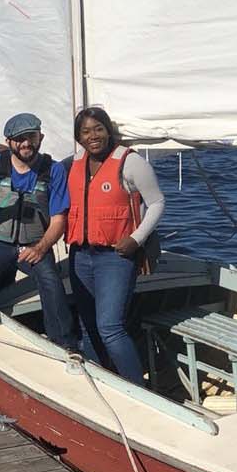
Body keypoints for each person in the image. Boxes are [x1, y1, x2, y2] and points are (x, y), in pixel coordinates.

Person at [0, 112, 77, 348]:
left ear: (40, 137)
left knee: (52, 286)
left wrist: (41, 248)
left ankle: (65, 344)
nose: (26, 143)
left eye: (31, 136)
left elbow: (58, 220)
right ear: (9, 141)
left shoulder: (54, 171)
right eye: (19, 138)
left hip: (34, 246)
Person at [65, 107, 165, 385]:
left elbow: (157, 203)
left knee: (110, 327)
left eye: (98, 129)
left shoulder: (131, 163)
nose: (92, 136)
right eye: (85, 131)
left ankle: (137, 389)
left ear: (108, 130)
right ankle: (100, 382)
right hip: (81, 256)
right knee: (88, 327)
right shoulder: (74, 163)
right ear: (78, 136)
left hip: (116, 257)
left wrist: (137, 238)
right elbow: (39, 168)